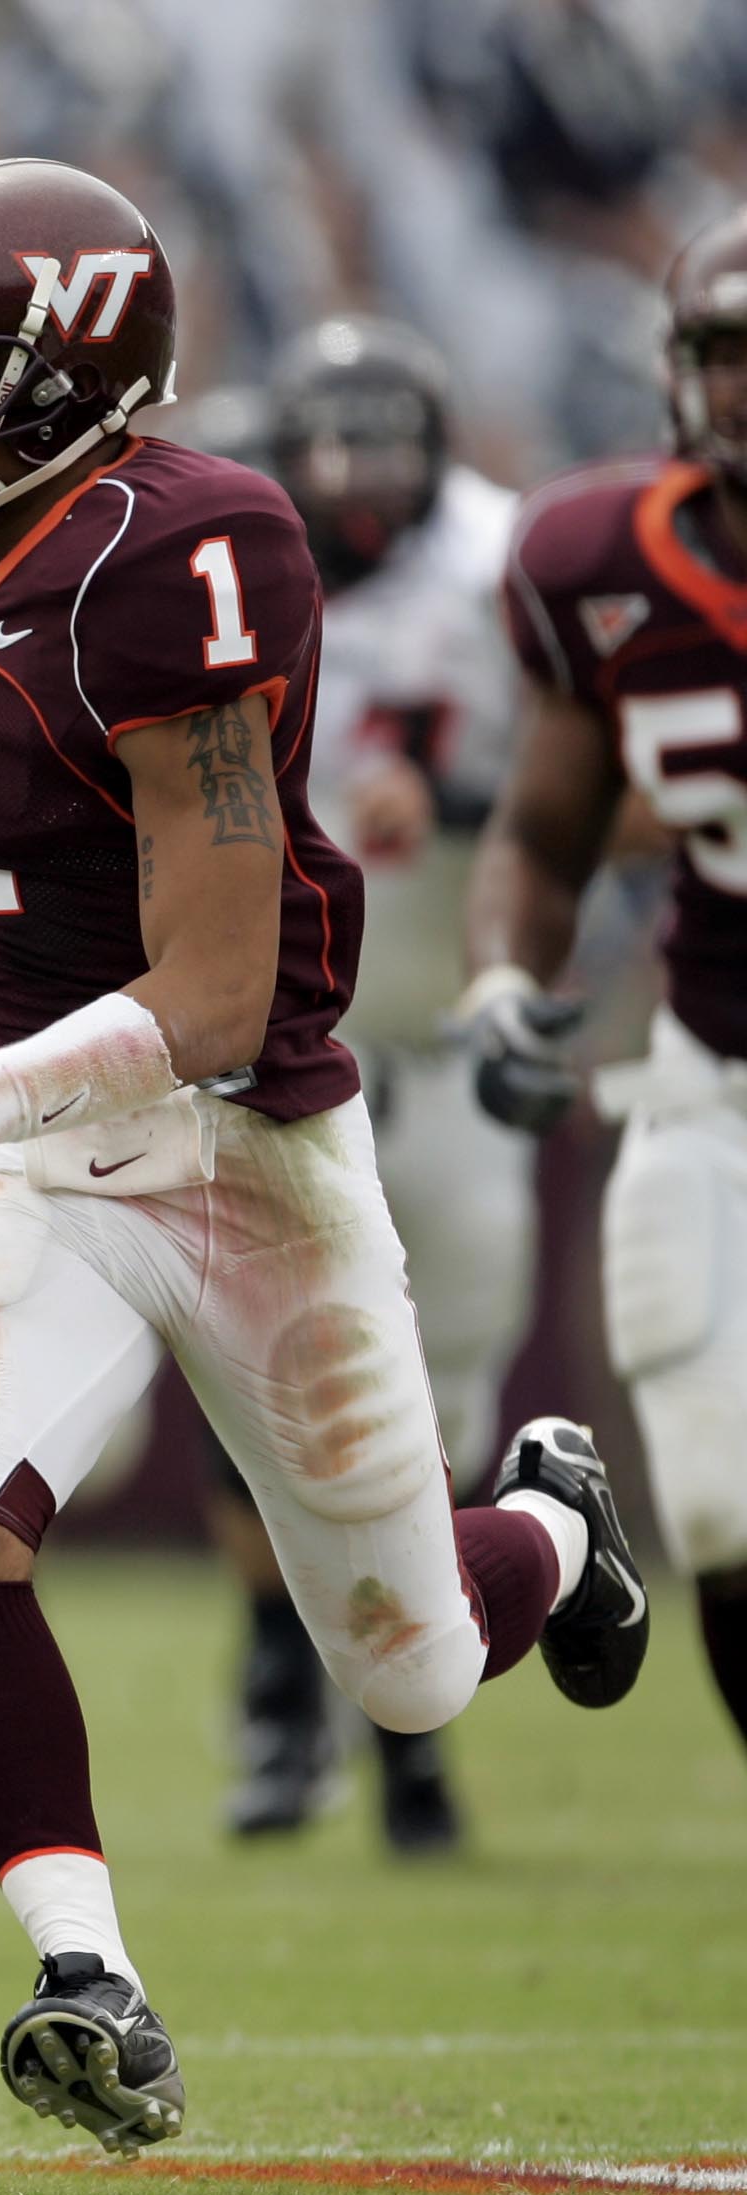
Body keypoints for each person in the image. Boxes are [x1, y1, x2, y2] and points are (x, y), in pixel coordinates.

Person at [0, 160, 649, 2157]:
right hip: (29, 1122)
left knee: (408, 1667)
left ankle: (557, 1530)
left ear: (74, 376)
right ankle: (87, 1976)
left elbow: (221, 989)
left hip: (239, 1138)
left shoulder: (194, 550)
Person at [209, 318, 527, 1855]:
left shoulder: (502, 570)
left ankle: (414, 1728)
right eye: (335, 455)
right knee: (250, 1370)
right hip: (263, 1044)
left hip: (438, 1034)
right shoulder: (214, 561)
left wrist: (457, 795)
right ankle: (278, 1693)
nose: (366, 490)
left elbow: (587, 780)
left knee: (440, 1391)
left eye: (392, 453)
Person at [465, 203, 747, 1783]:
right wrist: (507, 972)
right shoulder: (601, 567)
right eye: (728, 353)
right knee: (718, 1505)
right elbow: (544, 829)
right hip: (715, 1076)